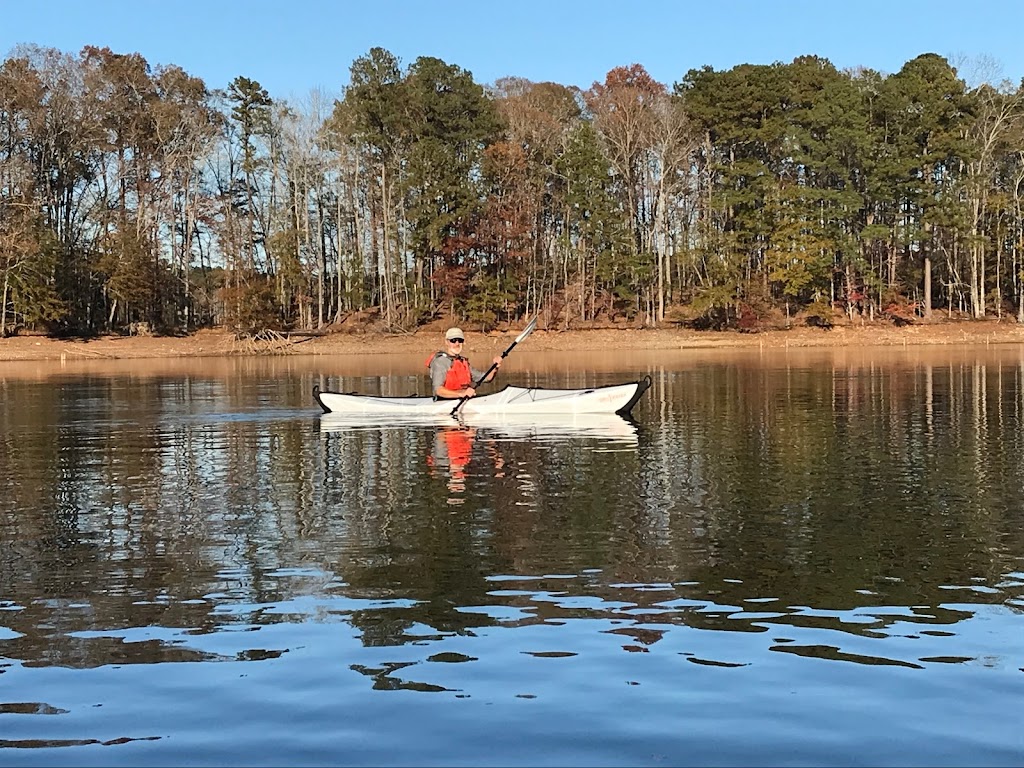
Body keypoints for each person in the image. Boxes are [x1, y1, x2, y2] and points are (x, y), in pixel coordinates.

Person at [427, 327, 502, 400]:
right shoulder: (440, 362)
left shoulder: (462, 362)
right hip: (444, 401)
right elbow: (438, 390)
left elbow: (486, 378)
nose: (457, 344)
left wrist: (495, 367)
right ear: (446, 342)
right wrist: (461, 394)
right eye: (453, 340)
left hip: (463, 399)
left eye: (460, 340)